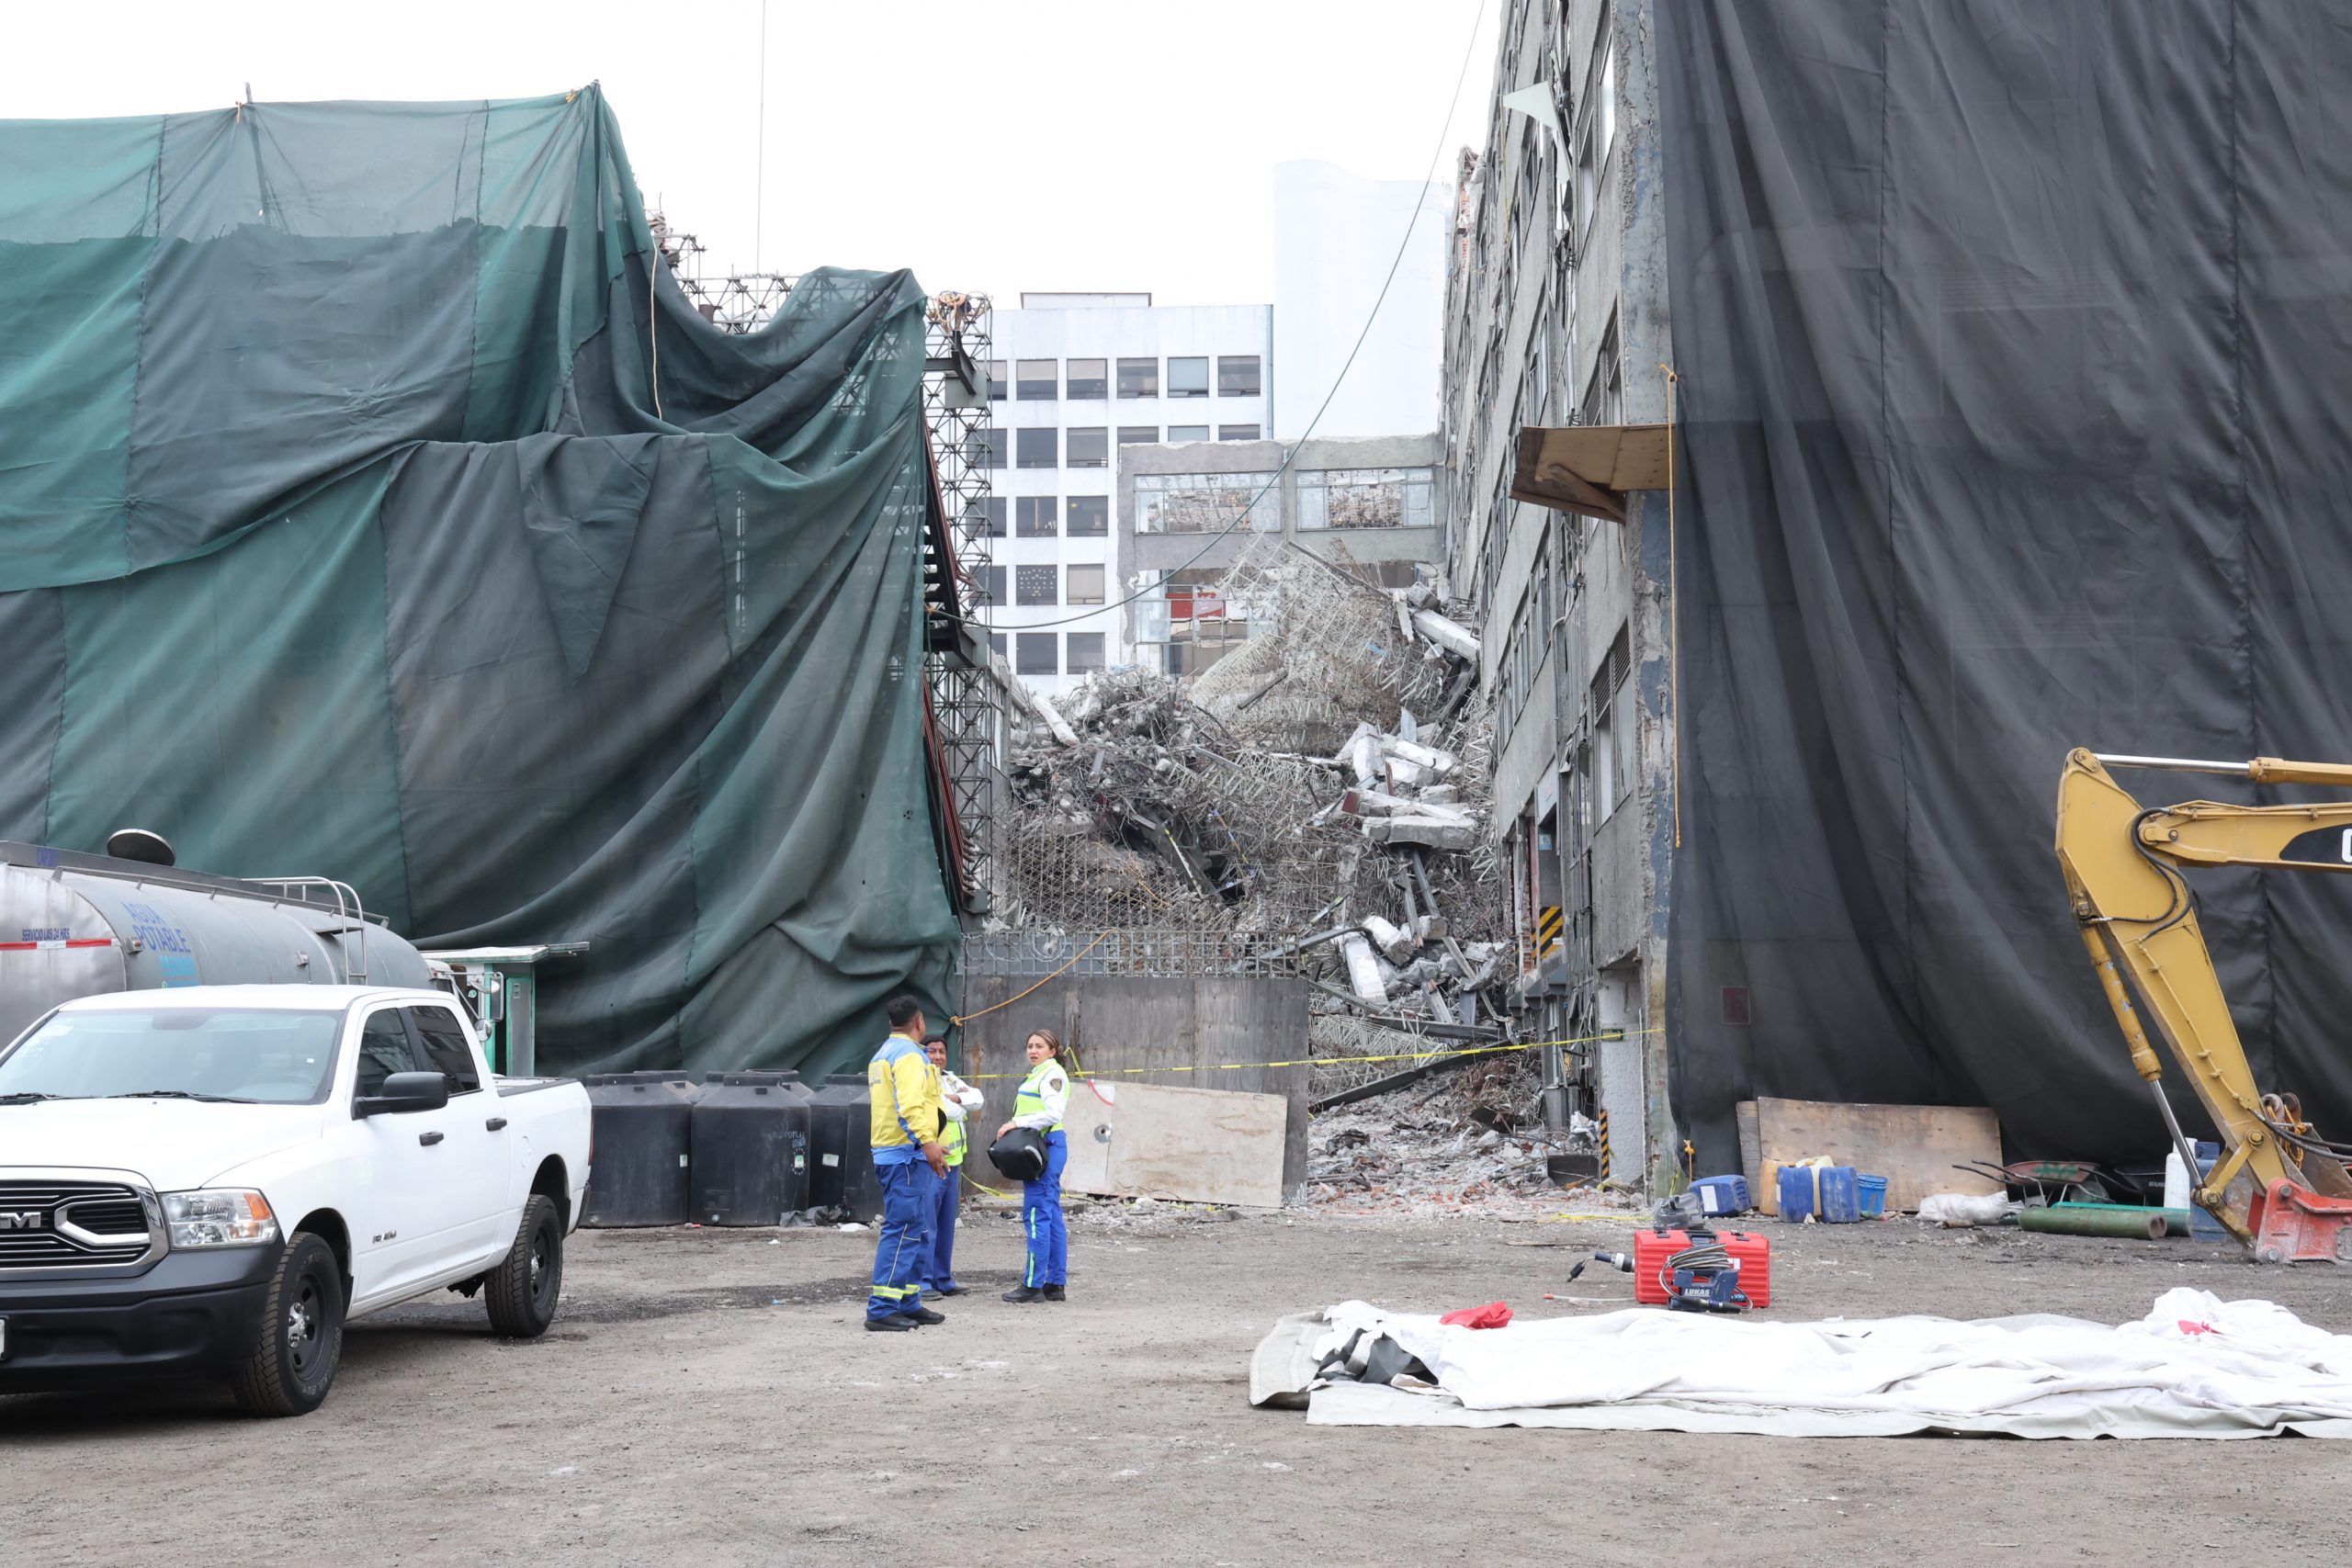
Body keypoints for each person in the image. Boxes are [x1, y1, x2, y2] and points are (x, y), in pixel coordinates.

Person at [864, 996, 949, 1333]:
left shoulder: (883, 1053)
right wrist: (929, 1142)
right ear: (920, 1023)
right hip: (906, 1154)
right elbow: (910, 1106)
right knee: (901, 1231)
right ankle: (882, 1307)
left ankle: (907, 1300)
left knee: (914, 1230)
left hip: (898, 1152)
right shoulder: (910, 1056)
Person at [998, 1028, 1070, 1303]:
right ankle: (1054, 1284)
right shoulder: (1039, 1073)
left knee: (1037, 1215)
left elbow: (1054, 1113)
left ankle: (1032, 1285)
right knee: (1050, 1215)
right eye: (1030, 1045)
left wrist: (1017, 1123)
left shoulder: (1051, 1074)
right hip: (1044, 1146)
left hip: (1045, 1147)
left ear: (1053, 1051)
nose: (1033, 1050)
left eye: (1040, 1046)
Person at [919, 1034, 983, 1299]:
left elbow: (977, 1099)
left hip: (953, 1162)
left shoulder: (951, 1079)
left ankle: (942, 1278)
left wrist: (953, 1099)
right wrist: (959, 1103)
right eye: (931, 1051)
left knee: (946, 1224)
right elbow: (956, 1111)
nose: (937, 1056)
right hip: (932, 1163)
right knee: (926, 1224)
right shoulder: (921, 1079)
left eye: (941, 1051)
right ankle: (921, 1282)